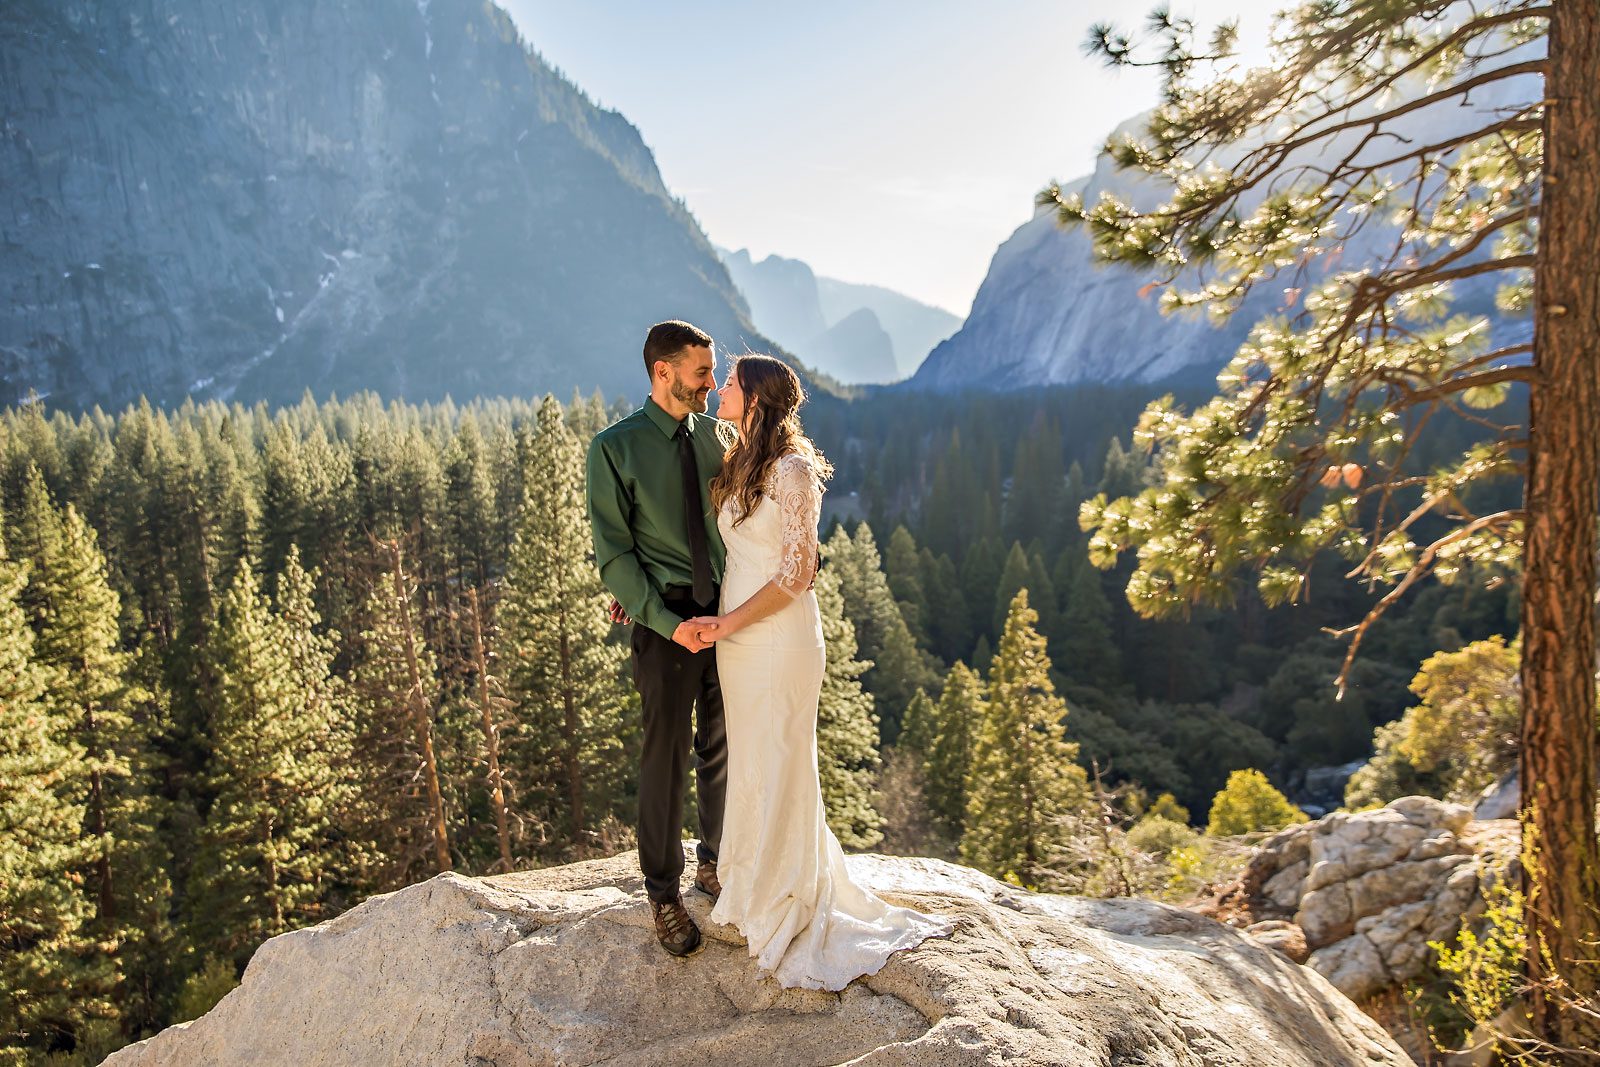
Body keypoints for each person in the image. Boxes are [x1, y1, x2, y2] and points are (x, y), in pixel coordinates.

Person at [685, 353, 953, 990]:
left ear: (756, 399)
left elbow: (796, 575)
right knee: (751, 757)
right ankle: (751, 883)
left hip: (777, 639)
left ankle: (788, 892)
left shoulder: (794, 470)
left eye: (730, 383)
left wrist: (726, 624)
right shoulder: (739, 461)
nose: (719, 388)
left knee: (780, 755)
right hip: (739, 641)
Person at [585, 320, 729, 957]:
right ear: (663, 372)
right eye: (702, 373)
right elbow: (614, 557)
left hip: (729, 616)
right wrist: (668, 623)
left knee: (725, 750)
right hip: (665, 622)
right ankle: (664, 893)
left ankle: (717, 863)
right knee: (665, 757)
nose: (711, 385)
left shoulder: (721, 439)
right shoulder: (614, 449)